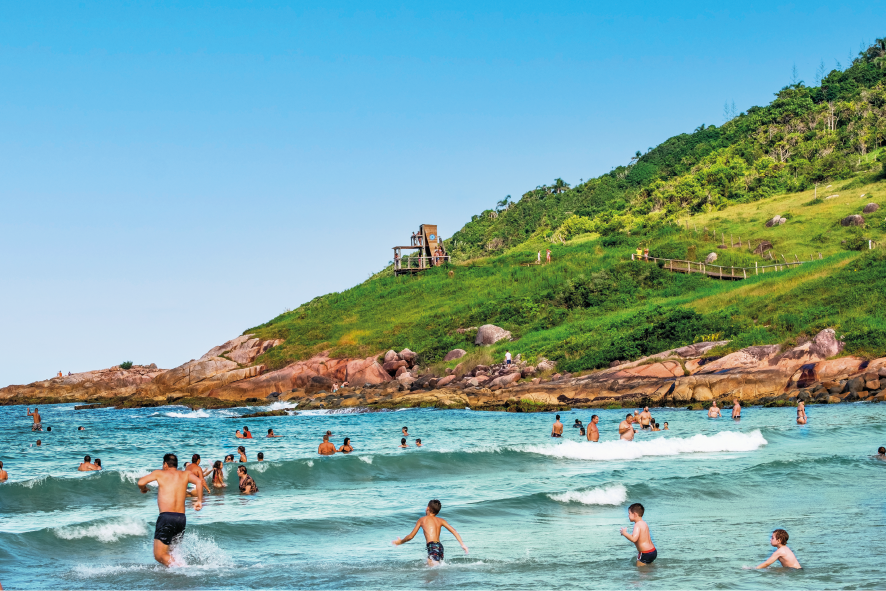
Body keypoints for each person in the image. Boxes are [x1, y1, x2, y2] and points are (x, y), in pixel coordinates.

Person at [137, 453, 203, 567]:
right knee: (172, 553)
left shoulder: (160, 473)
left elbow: (140, 482)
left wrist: (144, 489)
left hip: (166, 517)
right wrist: (199, 501)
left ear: (165, 464)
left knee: (159, 555)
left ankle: (183, 569)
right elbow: (199, 482)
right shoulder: (185, 474)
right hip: (181, 518)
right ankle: (175, 578)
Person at [392, 499, 468, 567]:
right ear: (437, 512)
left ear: (427, 508)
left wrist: (400, 542)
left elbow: (411, 536)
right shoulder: (441, 520)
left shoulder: (422, 520)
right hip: (440, 547)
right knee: (432, 566)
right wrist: (462, 544)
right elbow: (454, 531)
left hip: (432, 546)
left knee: (432, 571)